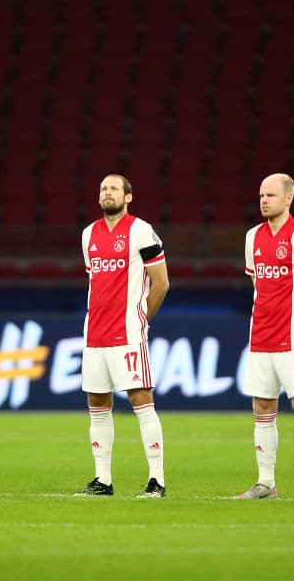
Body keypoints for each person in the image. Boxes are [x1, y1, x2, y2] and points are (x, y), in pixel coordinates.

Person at [236, 173, 294, 501]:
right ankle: (266, 483)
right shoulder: (252, 237)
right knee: (262, 405)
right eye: (261, 195)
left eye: (271, 195)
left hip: (293, 338)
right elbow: (257, 285)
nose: (264, 200)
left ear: (288, 198)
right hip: (260, 336)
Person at [76, 174, 170, 498]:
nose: (107, 193)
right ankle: (103, 480)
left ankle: (156, 480)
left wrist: (141, 318)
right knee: (97, 404)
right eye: (103, 188)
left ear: (128, 197)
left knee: (141, 401)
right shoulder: (88, 234)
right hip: (94, 334)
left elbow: (161, 282)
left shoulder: (141, 231)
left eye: (114, 188)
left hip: (127, 332)